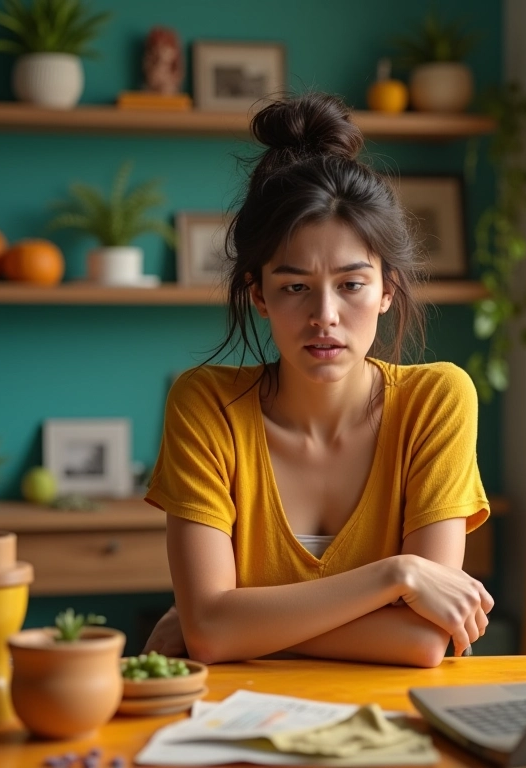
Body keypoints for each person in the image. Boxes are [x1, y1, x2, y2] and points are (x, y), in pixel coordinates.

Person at [143, 92, 493, 667]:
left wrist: (228, 622)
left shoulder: (437, 400)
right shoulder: (206, 404)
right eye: (295, 286)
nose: (324, 315)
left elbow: (426, 641)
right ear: (259, 294)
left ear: (387, 290)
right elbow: (211, 633)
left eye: (352, 284)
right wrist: (397, 576)